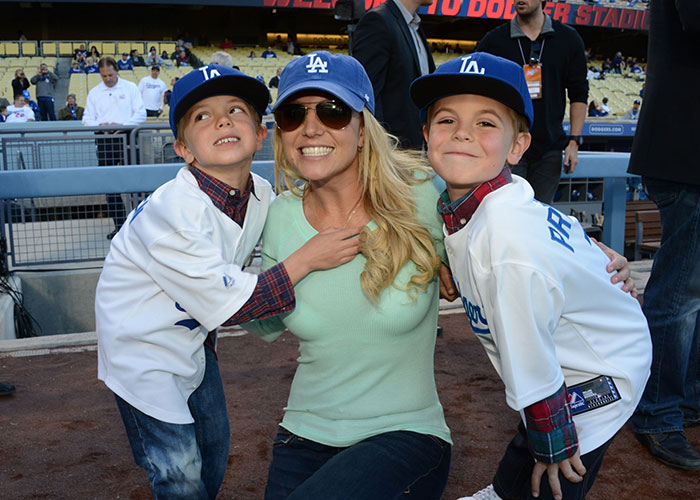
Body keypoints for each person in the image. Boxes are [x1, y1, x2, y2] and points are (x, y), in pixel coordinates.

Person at [96, 64, 358, 499]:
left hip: (193, 340)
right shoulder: (174, 211)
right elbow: (236, 306)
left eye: (236, 110)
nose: (222, 120)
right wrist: (307, 259)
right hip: (140, 352)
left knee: (214, 451)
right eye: (202, 116)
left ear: (260, 135)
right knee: (178, 468)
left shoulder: (258, 191)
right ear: (183, 149)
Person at [410, 52, 651, 500]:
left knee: (556, 469)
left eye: (485, 123)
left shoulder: (506, 244)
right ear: (426, 135)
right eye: (446, 120)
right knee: (528, 445)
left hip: (600, 373)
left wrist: (551, 444)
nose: (462, 132)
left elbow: (534, 368)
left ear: (518, 146)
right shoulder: (497, 198)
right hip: (587, 347)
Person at [245, 51, 452, 500]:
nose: (311, 127)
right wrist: (301, 262)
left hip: (406, 434)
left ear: (363, 130)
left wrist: (590, 252)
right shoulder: (279, 215)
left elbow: (507, 229)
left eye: (334, 112)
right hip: (301, 433)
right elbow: (261, 325)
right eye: (293, 114)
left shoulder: (422, 195)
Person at [628, 0, 700, 471]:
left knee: (690, 292)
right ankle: (655, 411)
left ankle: (687, 397)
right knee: (678, 294)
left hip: (684, 149)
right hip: (685, 151)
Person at [477, 0, 588, 204]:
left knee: (539, 218)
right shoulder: (493, 41)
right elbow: (478, 94)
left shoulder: (568, 39)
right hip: (506, 147)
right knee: (506, 214)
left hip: (550, 149)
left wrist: (574, 141)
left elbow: (579, 94)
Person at [352, 0, 435, 149]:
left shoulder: (414, 27)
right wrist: (381, 150)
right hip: (392, 152)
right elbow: (368, 96)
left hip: (416, 148)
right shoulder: (378, 21)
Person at [82, 56, 146, 239]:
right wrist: (101, 126)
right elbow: (87, 118)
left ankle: (139, 227)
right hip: (104, 140)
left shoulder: (131, 88)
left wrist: (123, 125)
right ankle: (120, 226)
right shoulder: (94, 92)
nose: (108, 79)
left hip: (128, 137)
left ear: (117, 71)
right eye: (104, 76)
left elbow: (140, 114)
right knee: (110, 185)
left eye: (110, 75)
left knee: (135, 182)